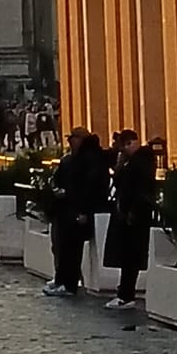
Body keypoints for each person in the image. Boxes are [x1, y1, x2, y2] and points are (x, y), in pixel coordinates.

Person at [41, 128, 110, 299]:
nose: (70, 141)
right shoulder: (73, 159)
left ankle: (68, 283)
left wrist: (82, 208)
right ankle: (61, 280)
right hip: (67, 209)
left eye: (73, 138)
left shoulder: (90, 160)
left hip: (78, 210)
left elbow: (89, 187)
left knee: (71, 249)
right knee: (63, 247)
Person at [103, 129, 158, 310]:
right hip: (128, 214)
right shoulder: (132, 161)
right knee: (126, 256)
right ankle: (124, 292)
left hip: (134, 216)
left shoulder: (141, 162)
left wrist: (133, 211)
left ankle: (126, 294)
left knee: (130, 257)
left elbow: (140, 188)